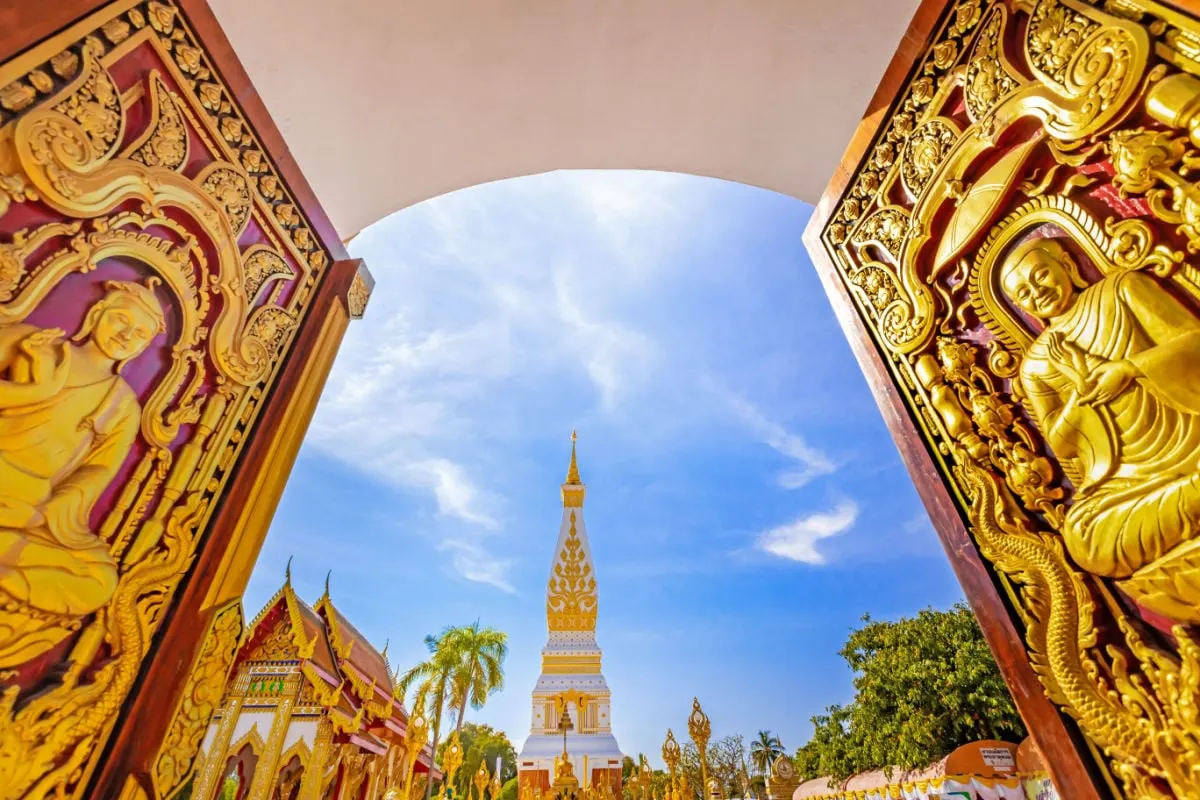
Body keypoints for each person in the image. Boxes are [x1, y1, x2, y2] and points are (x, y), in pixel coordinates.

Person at [999, 237, 1200, 619]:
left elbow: (1192, 342)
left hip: (1188, 439)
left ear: (1066, 263)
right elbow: (1063, 444)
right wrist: (1080, 387)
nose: (1037, 292)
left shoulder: (1122, 289)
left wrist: (1128, 369)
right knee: (1084, 538)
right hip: (1128, 480)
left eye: (1041, 274)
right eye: (1023, 293)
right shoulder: (1038, 364)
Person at [0, 279, 165, 666]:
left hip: (33, 508)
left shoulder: (121, 404)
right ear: (96, 315)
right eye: (121, 320)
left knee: (100, 580)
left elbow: (98, 469)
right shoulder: (39, 346)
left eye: (140, 334)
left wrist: (56, 506)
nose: (127, 335)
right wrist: (34, 393)